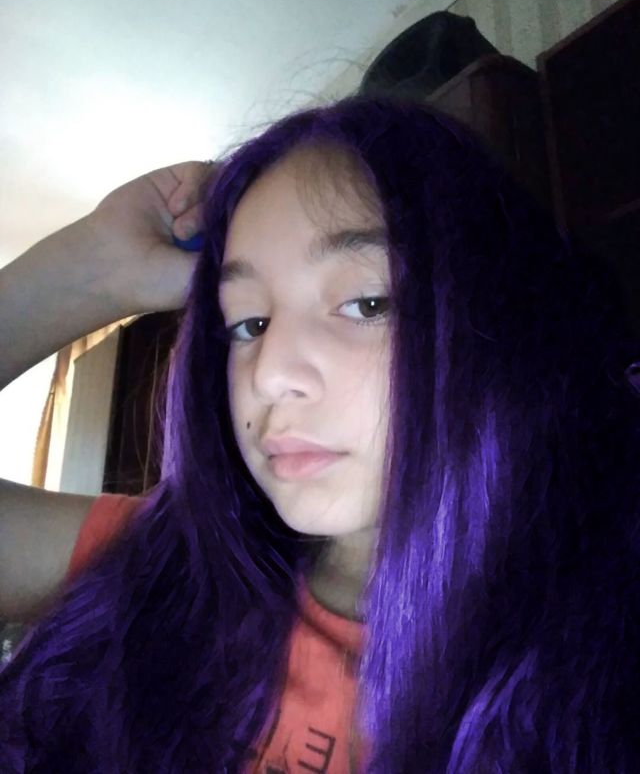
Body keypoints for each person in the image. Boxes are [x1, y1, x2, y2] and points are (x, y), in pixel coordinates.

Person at [1, 94, 640, 772]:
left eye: (366, 303)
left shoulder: (607, 639)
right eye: (248, 322)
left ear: (496, 319)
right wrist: (92, 270)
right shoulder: (170, 567)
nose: (270, 373)